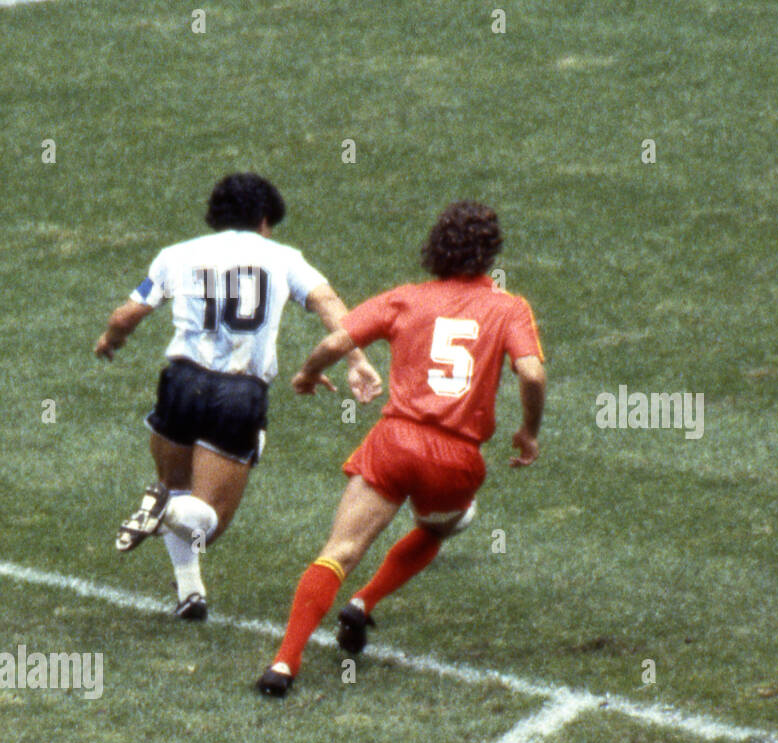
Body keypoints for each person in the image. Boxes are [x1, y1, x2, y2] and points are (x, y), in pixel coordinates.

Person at [256, 200, 545, 697]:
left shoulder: (406, 298)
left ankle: (283, 664)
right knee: (438, 530)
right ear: (490, 255)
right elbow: (533, 372)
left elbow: (335, 344)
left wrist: (307, 375)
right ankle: (364, 604)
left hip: (393, 442)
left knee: (340, 550)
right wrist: (529, 431)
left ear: (436, 250)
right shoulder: (509, 307)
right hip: (455, 456)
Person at [95, 173, 382, 621]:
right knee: (207, 521)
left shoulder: (177, 254)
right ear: (265, 219)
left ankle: (189, 591)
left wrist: (111, 340)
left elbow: (129, 312)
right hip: (238, 392)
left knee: (179, 489)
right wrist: (356, 360)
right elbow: (329, 304)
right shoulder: (283, 259)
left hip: (180, 384)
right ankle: (165, 509)